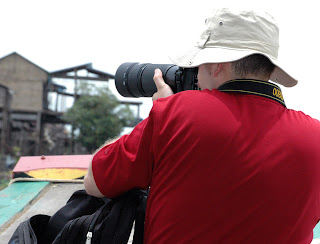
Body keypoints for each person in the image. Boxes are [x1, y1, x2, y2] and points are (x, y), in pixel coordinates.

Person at [84, 9, 320, 243]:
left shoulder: (176, 113)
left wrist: (161, 110)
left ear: (217, 65)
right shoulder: (315, 136)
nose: (195, 74)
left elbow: (95, 182)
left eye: (197, 66)